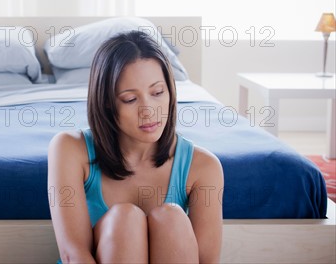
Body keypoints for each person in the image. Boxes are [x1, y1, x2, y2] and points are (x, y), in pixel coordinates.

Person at [48, 31, 224, 263]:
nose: (148, 111)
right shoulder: (69, 149)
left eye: (158, 92)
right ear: (107, 104)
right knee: (125, 218)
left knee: (171, 217)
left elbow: (205, 261)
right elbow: (74, 254)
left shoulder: (204, 166)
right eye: (131, 99)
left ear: (171, 93)